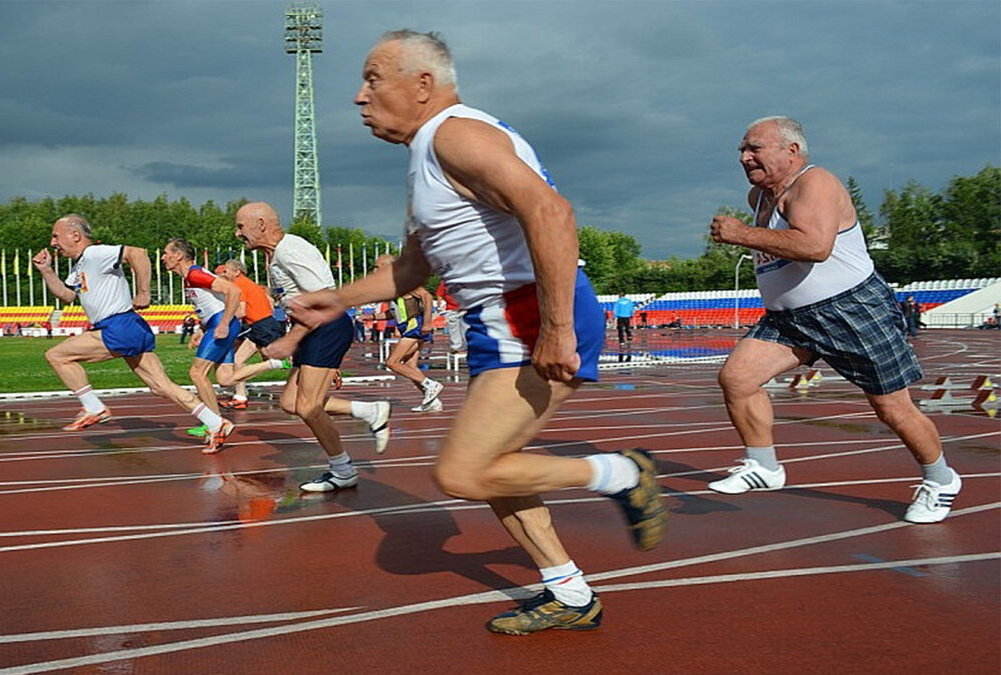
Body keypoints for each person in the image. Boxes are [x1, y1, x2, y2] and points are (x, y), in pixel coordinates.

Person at [289, 30, 666, 635]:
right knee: (496, 470)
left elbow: (551, 211)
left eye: (373, 78)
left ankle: (623, 473)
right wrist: (332, 300)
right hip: (499, 322)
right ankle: (569, 594)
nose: (360, 96)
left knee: (464, 472)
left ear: (422, 85)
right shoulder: (429, 157)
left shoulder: (456, 134)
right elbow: (411, 270)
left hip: (530, 314)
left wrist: (558, 329)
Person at [708, 116, 960, 524]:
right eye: (742, 149)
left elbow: (814, 245)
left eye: (754, 147)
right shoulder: (759, 197)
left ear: (792, 151)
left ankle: (940, 478)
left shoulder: (815, 182)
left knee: (892, 408)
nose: (744, 156)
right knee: (737, 378)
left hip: (851, 309)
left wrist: (741, 234)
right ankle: (763, 466)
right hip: (791, 318)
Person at [32, 214, 230, 452]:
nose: (53, 243)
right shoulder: (80, 265)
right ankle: (216, 423)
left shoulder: (96, 253)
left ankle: (93, 407)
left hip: (119, 326)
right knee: (161, 386)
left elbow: (138, 253)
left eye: (56, 236)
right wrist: (46, 271)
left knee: (57, 356)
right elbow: (67, 296)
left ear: (75, 235)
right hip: (129, 327)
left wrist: (144, 292)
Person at [234, 202, 392, 492]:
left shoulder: (291, 250)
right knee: (292, 403)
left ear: (261, 223)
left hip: (325, 326)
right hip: (309, 330)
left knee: (308, 406)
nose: (237, 233)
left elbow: (324, 298)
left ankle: (343, 470)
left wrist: (289, 341)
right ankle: (370, 411)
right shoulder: (275, 256)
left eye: (241, 226)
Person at [162, 238, 239, 450]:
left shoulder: (196, 274)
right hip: (216, 324)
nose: (162, 257)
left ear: (178, 256)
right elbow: (210, 303)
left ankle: (216, 425)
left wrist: (222, 324)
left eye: (166, 252)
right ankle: (274, 365)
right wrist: (201, 329)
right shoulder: (189, 278)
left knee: (197, 374)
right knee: (225, 377)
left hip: (222, 324)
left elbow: (234, 291)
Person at [214, 259, 289, 410]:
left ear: (237, 271)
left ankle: (314, 376)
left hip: (261, 326)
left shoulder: (240, 285)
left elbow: (241, 312)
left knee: (277, 360)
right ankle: (240, 396)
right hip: (261, 325)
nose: (223, 274)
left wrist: (223, 320)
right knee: (239, 360)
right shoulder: (245, 283)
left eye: (226, 271)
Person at [376, 254, 445, 412]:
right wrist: (371, 317)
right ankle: (433, 402)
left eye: (378, 267)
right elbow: (394, 313)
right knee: (409, 366)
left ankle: (431, 385)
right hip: (407, 326)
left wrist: (428, 322)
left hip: (415, 326)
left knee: (392, 362)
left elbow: (427, 296)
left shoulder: (403, 281)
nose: (375, 271)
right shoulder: (392, 285)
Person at [435, 278, 466, 355]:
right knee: (453, 329)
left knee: (466, 328)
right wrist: (439, 307)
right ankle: (456, 348)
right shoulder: (445, 282)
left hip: (465, 308)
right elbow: (439, 295)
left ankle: (468, 347)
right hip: (451, 309)